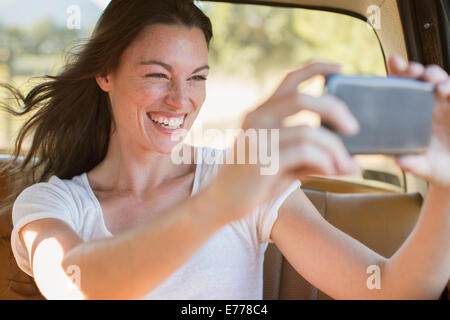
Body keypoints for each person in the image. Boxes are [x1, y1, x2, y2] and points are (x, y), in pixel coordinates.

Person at [0, 0, 449, 299]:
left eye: (197, 77)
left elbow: (391, 289)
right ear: (105, 75)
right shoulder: (52, 202)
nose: (181, 100)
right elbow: (78, 284)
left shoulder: (246, 180)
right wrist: (217, 205)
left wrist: (447, 185)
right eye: (157, 75)